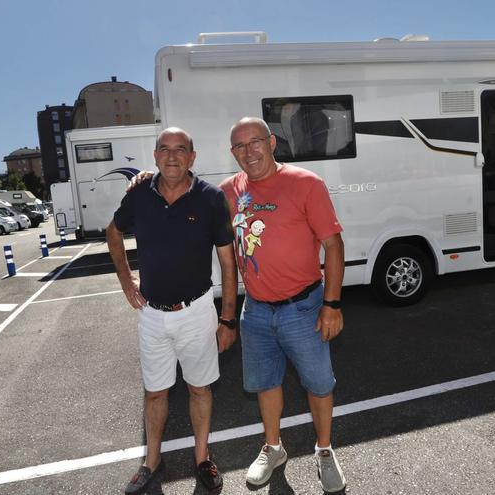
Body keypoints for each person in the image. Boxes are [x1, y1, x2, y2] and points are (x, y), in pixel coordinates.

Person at [106, 127, 238, 494]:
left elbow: (228, 264)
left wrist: (228, 319)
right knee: (155, 392)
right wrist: (126, 282)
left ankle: (202, 458)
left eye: (180, 150)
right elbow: (112, 232)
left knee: (199, 389)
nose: (172, 156)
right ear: (154, 156)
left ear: (192, 157)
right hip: (152, 314)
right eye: (164, 149)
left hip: (197, 311)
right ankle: (151, 461)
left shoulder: (211, 198)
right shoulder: (140, 196)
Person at [221, 117, 346, 492]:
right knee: (265, 383)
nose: (249, 152)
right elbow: (182, 191)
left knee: (319, 385)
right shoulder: (228, 191)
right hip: (256, 310)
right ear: (233, 153)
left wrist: (332, 304)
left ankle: (324, 451)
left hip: (304, 308)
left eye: (255, 142)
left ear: (272, 142)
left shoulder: (305, 183)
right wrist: (148, 177)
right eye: (240, 146)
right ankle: (273, 448)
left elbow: (334, 246)